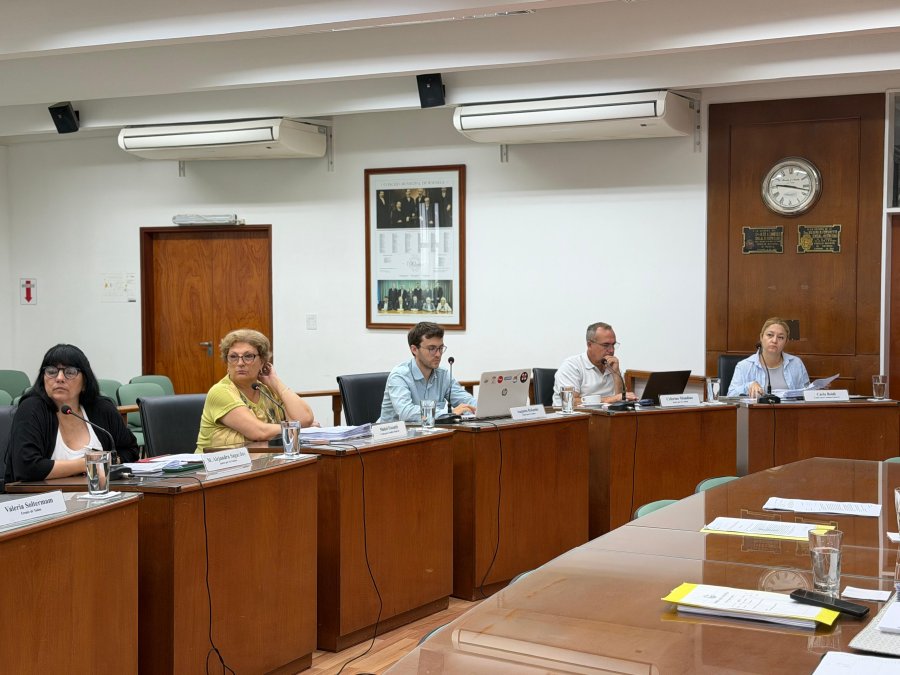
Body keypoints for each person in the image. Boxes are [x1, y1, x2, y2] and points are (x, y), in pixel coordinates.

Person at [5, 344, 139, 483]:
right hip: (44, 499)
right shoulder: (31, 409)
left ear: (85, 381)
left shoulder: (101, 408)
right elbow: (26, 468)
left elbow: (130, 450)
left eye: (70, 372)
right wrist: (90, 463)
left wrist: (113, 460)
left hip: (99, 496)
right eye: (51, 371)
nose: (60, 378)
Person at [196, 329, 315, 451]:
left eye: (248, 356)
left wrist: (275, 382)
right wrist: (297, 428)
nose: (240, 363)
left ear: (262, 361)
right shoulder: (220, 391)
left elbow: (305, 418)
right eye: (233, 357)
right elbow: (259, 432)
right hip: (212, 466)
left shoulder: (267, 389)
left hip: (259, 463)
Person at [378, 321, 476, 423]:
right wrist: (448, 414)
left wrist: (483, 409)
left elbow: (466, 401)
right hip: (394, 436)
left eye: (441, 348)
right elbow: (406, 412)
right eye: (432, 348)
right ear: (414, 349)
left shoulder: (443, 375)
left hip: (428, 434)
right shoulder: (399, 376)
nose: (438, 354)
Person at [553, 322, 637, 406]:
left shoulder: (613, 366)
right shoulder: (572, 366)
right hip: (577, 417)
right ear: (589, 345)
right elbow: (569, 401)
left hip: (605, 417)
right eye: (606, 345)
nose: (611, 350)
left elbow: (620, 401)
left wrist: (616, 374)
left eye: (613, 345)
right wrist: (609, 399)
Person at [727, 317, 810, 397]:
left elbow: (807, 394)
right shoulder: (744, 366)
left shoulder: (796, 364)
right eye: (770, 335)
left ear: (786, 342)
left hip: (789, 411)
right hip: (756, 411)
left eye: (780, 337)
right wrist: (748, 386)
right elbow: (730, 396)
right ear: (761, 337)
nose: (774, 340)